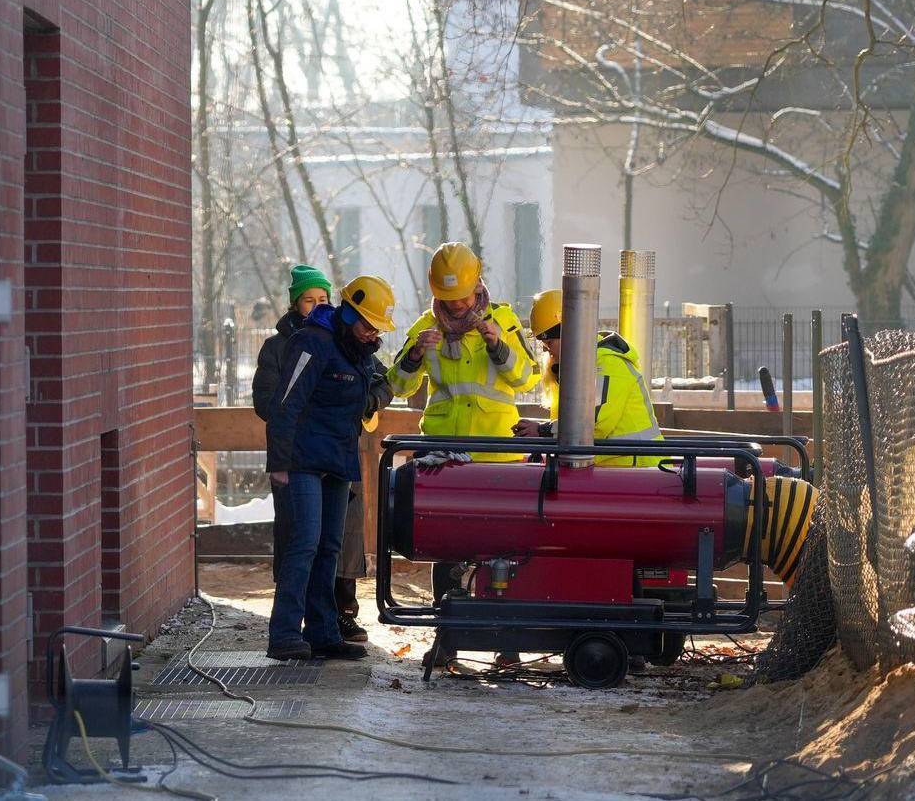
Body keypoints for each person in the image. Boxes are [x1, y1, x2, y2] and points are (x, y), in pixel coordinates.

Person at [263, 275, 397, 662]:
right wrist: (280, 463)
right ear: (349, 313)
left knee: (329, 548)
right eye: (369, 325)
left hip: (338, 459)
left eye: (378, 328)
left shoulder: (359, 351)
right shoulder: (312, 342)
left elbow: (377, 390)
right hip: (302, 460)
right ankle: (284, 634)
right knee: (303, 543)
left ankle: (323, 633)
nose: (373, 334)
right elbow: (285, 402)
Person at [387, 243, 541, 460]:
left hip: (494, 452)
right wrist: (414, 356)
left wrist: (498, 348)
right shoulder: (425, 326)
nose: (457, 303)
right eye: (449, 297)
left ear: (477, 285)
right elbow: (396, 387)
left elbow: (529, 380)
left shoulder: (503, 321)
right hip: (440, 452)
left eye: (462, 295)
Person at [512, 289, 666, 466]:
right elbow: (574, 424)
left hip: (641, 471)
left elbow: (594, 424)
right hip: (621, 469)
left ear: (569, 334)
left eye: (549, 342)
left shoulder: (608, 363)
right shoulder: (582, 367)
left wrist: (542, 431)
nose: (546, 349)